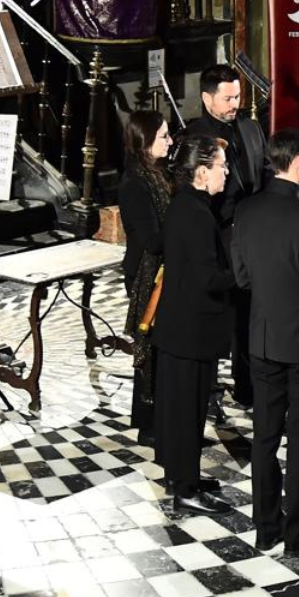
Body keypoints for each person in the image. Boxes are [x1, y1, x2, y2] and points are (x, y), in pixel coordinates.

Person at [231, 129, 299, 557]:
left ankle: (265, 529)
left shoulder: (246, 209)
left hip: (261, 340)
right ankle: (298, 535)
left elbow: (242, 278)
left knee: (264, 437)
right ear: (298, 163)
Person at [149, 135, 236, 515]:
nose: (227, 172)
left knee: (180, 408)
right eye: (222, 166)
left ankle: (180, 475)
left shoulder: (187, 205)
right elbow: (208, 279)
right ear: (202, 172)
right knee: (187, 411)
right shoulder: (196, 214)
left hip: (179, 328)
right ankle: (185, 489)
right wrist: (244, 274)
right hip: (190, 331)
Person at [184, 65, 269, 407]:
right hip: (219, 231)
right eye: (228, 98)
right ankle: (209, 384)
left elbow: (262, 172)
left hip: (252, 230)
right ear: (207, 98)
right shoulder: (193, 137)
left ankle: (246, 383)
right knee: (226, 310)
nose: (235, 103)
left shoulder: (250, 127)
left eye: (238, 96)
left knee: (250, 308)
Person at [117, 109, 174, 439]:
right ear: (145, 141)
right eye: (163, 136)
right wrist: (183, 225)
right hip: (146, 274)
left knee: (163, 347)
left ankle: (160, 417)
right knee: (150, 348)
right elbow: (152, 240)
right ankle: (149, 424)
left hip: (163, 270)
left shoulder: (159, 173)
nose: (169, 141)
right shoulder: (136, 184)